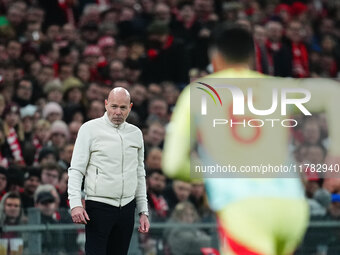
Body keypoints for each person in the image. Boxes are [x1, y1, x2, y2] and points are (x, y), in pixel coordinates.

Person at [162, 25, 340, 255]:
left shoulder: (199, 93)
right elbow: (333, 93)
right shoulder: (274, 87)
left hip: (245, 210)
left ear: (215, 60)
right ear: (252, 58)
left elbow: (172, 165)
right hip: (291, 207)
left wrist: (218, 173)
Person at [68, 87, 150, 255]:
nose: (118, 112)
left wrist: (143, 211)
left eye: (123, 107)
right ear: (105, 105)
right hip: (98, 207)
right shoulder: (89, 129)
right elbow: (76, 170)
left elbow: (139, 174)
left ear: (130, 107)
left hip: (127, 208)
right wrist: (75, 204)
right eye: (114, 106)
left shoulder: (136, 134)